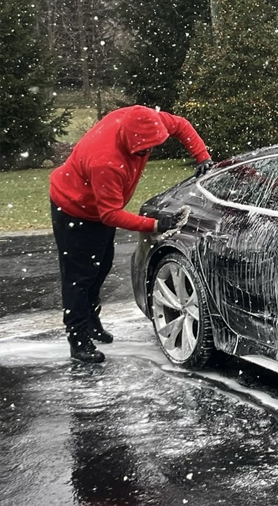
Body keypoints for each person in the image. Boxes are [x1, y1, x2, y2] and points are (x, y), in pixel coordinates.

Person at [49, 105, 213, 364]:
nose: (146, 154)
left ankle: (91, 320)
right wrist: (156, 224)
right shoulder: (106, 161)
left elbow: (180, 125)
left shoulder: (148, 120)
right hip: (73, 208)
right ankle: (77, 338)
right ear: (128, 141)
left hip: (96, 207)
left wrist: (202, 156)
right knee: (78, 277)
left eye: (151, 148)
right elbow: (109, 215)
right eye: (141, 150)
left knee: (101, 267)